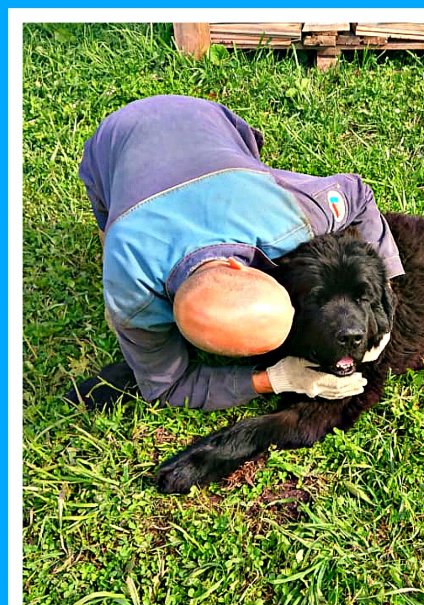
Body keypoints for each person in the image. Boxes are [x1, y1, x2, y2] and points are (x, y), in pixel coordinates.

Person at [79, 94, 404, 411]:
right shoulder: (132, 297)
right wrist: (274, 379)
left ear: (239, 267)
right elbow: (167, 387)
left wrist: (385, 290)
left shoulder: (290, 216)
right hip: (113, 139)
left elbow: (358, 194)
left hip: (202, 116)